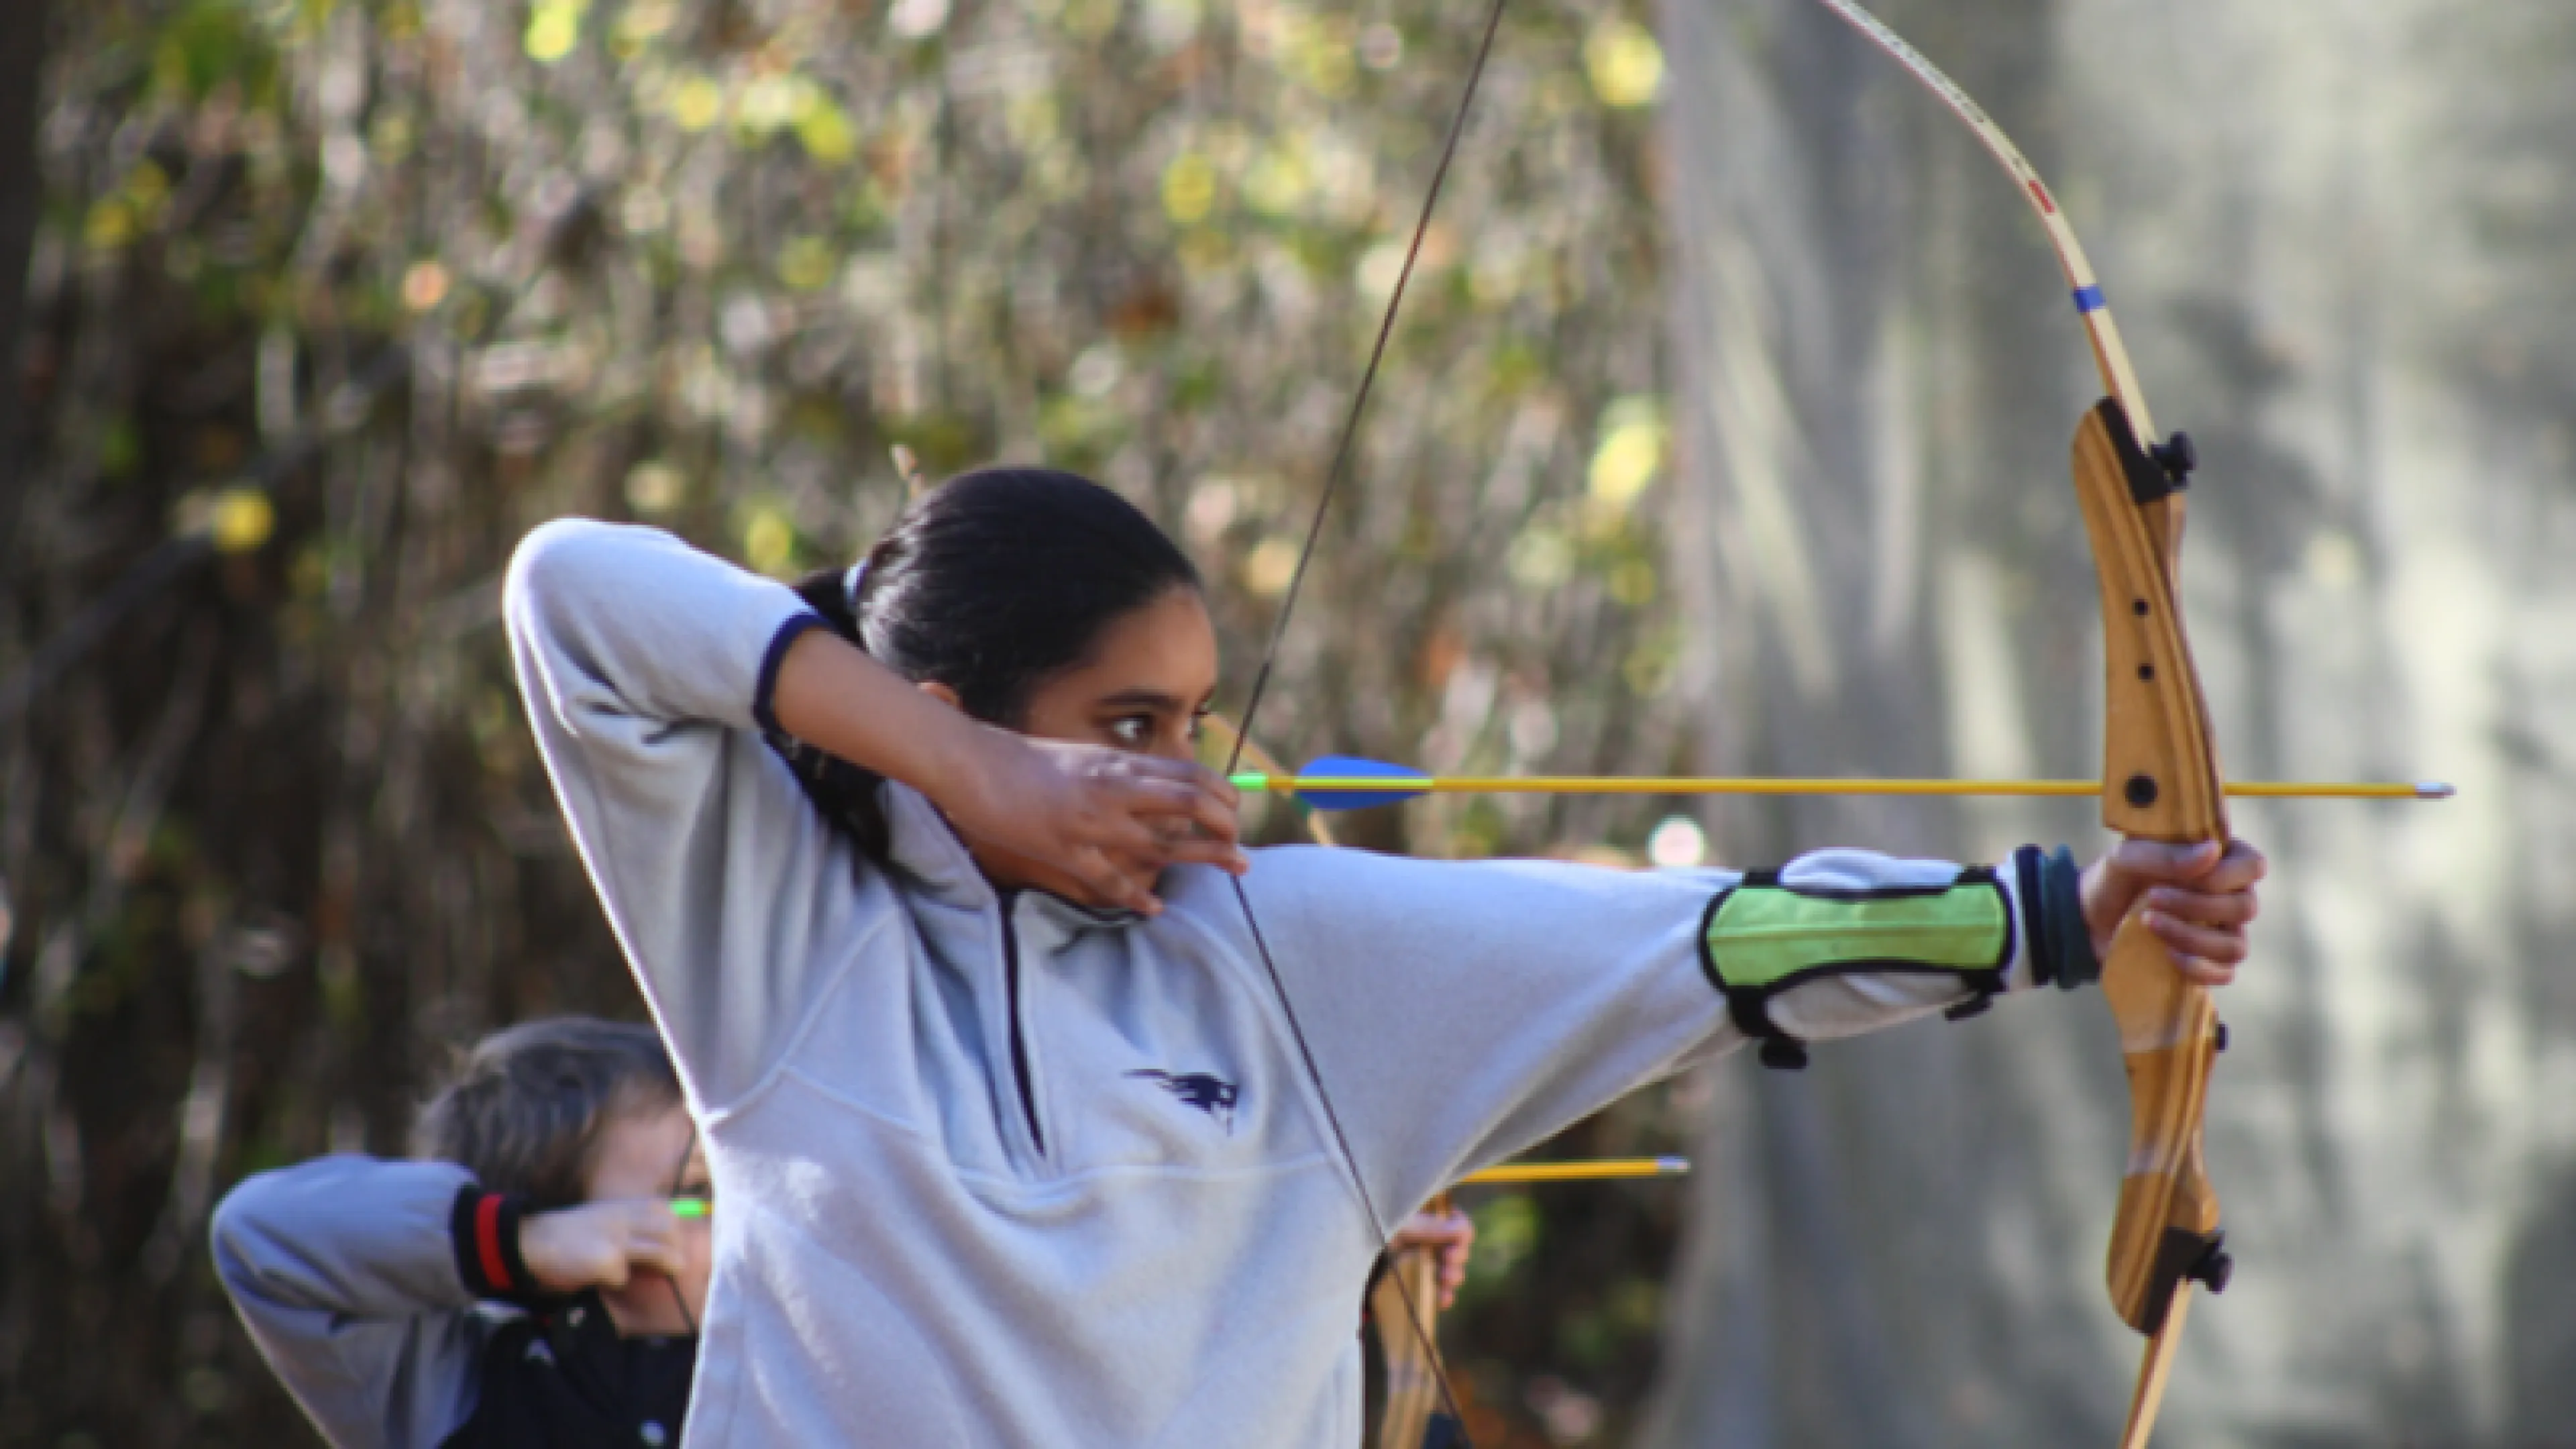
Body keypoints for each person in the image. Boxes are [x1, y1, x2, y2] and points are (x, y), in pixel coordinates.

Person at [500, 466, 2262, 1445]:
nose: (1186, 773)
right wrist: (968, 777)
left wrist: (2053, 914)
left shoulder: (1283, 953)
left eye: (1198, 719)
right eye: (1127, 723)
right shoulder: (789, 943)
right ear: (963, 716)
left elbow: (1697, 941)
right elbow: (570, 591)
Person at [211, 1016, 711, 1447]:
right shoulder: (456, 1392)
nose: (736, 1219)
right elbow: (256, 1227)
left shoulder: (772, 1348)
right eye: (697, 1192)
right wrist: (522, 1242)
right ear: (573, 1230)